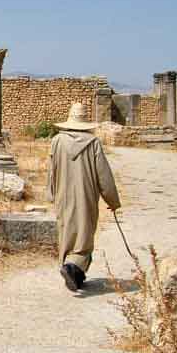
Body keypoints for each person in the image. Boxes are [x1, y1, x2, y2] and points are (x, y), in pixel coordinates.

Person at [47, 102, 121, 291]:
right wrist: (112, 200)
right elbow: (103, 174)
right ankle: (72, 268)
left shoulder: (57, 141)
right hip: (86, 195)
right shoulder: (93, 143)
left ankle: (73, 273)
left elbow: (51, 170)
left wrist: (52, 193)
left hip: (63, 195)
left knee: (67, 231)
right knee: (84, 235)